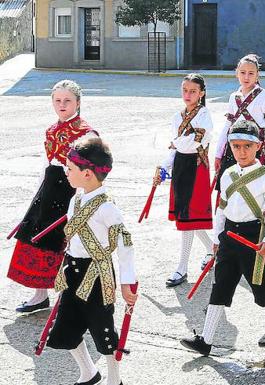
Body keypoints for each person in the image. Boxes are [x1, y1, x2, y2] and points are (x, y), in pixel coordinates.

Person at [180, 120, 265, 356]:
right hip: (229, 237)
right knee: (220, 287)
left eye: (247, 146)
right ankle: (205, 341)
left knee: (262, 289)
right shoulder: (227, 174)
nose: (242, 151)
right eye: (236, 146)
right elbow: (221, 208)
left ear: (258, 146)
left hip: (255, 239)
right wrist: (217, 237)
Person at [46, 137, 137, 385]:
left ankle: (114, 379)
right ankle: (88, 372)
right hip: (73, 271)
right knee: (66, 328)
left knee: (103, 332)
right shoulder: (76, 199)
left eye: (70, 168)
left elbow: (125, 244)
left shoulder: (107, 207)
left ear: (87, 174)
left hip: (97, 275)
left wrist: (128, 282)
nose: (66, 171)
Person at [8, 80, 96, 314]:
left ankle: (69, 301)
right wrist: (39, 192)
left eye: (67, 100)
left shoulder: (87, 133)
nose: (62, 105)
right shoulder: (51, 130)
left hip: (71, 191)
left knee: (65, 245)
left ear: (78, 102)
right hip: (49, 190)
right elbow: (48, 165)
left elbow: (91, 173)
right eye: (57, 100)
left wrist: (80, 200)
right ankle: (40, 295)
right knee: (37, 239)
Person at [156, 73, 215, 287]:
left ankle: (182, 267)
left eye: (192, 91)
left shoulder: (205, 115)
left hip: (196, 169)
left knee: (189, 219)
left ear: (201, 93)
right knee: (186, 217)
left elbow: (193, 144)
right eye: (185, 90)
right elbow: (176, 146)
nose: (188, 95)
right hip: (181, 167)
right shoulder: (177, 116)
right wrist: (163, 167)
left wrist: (178, 143)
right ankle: (212, 249)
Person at [215, 55, 265, 186]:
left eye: (251, 73)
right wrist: (218, 153)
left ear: (257, 75)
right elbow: (227, 126)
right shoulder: (234, 97)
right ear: (237, 73)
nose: (246, 77)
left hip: (257, 147)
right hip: (235, 147)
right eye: (243, 72)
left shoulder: (264, 96)